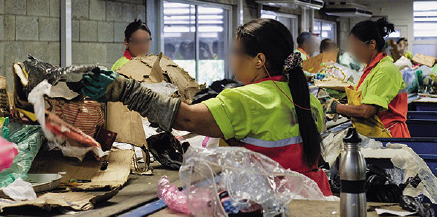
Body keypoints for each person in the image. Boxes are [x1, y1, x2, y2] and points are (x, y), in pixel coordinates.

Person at [80, 19, 332, 195]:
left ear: (259, 60)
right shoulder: (306, 97)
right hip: (315, 195)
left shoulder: (247, 99)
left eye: (235, 52)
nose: (231, 58)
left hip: (272, 201)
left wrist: (125, 90)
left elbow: (186, 119)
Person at [326, 18, 410, 138]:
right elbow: (362, 95)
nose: (352, 51)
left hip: (389, 137)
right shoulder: (371, 68)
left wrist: (335, 107)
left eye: (355, 46)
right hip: (376, 134)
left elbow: (366, 111)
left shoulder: (385, 70)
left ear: (372, 44)